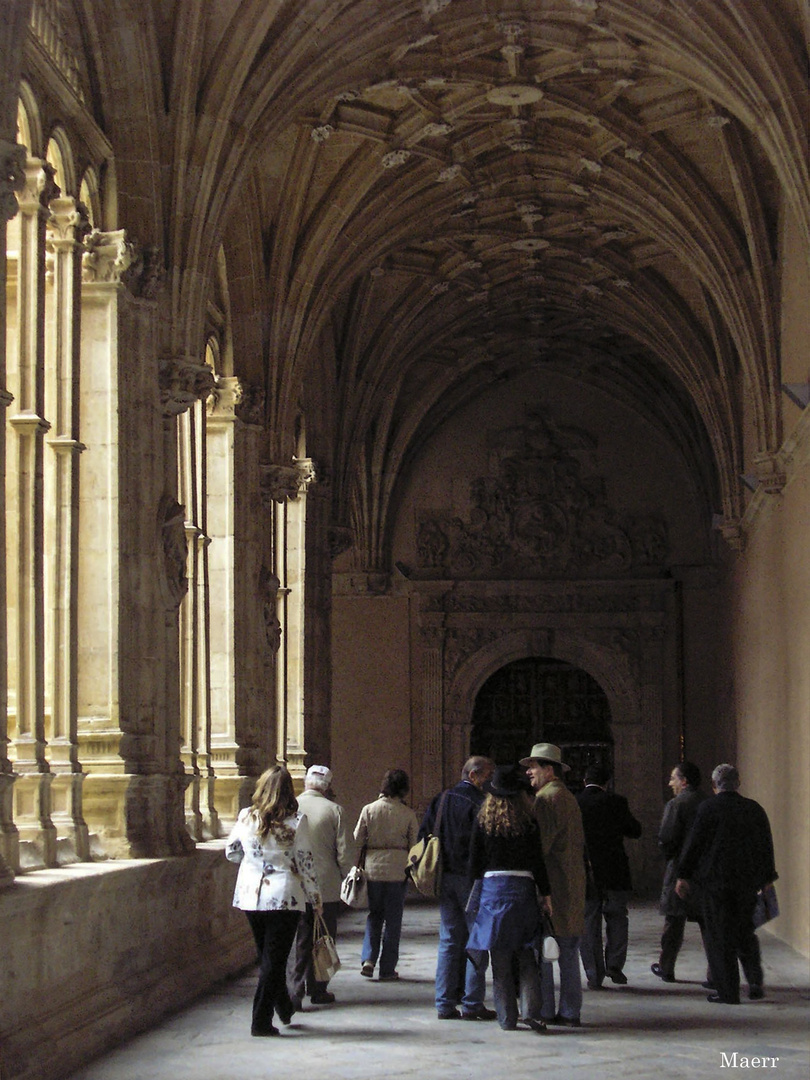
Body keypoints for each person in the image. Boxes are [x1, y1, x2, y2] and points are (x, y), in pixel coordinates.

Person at [225, 765, 322, 1036]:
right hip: (284, 896)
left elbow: (231, 851)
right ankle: (260, 1021)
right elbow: (304, 862)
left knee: (268, 957)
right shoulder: (296, 821)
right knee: (274, 960)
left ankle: (283, 1007)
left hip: (250, 896)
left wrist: (253, 862)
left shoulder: (246, 816)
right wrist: (315, 898)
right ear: (290, 791)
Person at [675, 763, 778, 1005]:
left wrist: (683, 875)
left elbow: (694, 844)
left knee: (719, 937)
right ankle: (754, 981)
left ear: (714, 785)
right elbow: (765, 847)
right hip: (746, 883)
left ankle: (728, 991)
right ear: (738, 783)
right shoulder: (754, 809)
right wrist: (767, 880)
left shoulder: (707, 809)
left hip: (715, 883)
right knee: (745, 931)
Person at [467, 764, 551, 1033]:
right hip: (523, 888)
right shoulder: (528, 821)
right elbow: (538, 862)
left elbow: (474, 865)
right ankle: (532, 1012)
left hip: (493, 889)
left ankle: (507, 1018)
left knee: (500, 957)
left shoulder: (483, 822)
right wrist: (546, 894)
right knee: (527, 955)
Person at [419, 755, 497, 1021]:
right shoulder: (480, 803)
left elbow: (424, 835)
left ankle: (444, 1003)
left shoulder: (441, 799)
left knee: (449, 941)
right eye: (488, 775)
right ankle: (473, 1002)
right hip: (472, 879)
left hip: (446, 877)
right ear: (473, 775)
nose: (490, 780)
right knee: (477, 940)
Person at [520, 742, 586, 1027]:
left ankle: (545, 1009)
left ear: (549, 769)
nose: (529, 773)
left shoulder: (546, 799)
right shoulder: (567, 796)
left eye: (533, 767)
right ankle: (571, 1011)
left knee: (545, 950)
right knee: (569, 951)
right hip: (571, 882)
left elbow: (541, 845)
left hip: (554, 885)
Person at [288, 764, 355, 1010]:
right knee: (323, 936)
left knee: (299, 937)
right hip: (325, 883)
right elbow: (344, 853)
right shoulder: (334, 810)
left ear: (305, 782)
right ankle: (318, 987)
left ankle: (295, 988)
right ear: (328, 787)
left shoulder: (291, 807)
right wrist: (348, 877)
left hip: (294, 884)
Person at [577, 763, 642, 988]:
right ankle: (614, 964)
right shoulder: (617, 802)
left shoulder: (577, 802)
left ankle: (594, 973)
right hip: (615, 869)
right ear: (607, 783)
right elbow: (635, 830)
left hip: (586, 869)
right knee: (617, 917)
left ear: (585, 781)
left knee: (588, 921)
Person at [354, 768, 419, 981]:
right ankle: (388, 967)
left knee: (374, 916)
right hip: (397, 870)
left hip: (373, 868)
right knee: (393, 921)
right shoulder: (407, 813)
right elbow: (414, 845)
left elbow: (357, 838)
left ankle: (369, 959)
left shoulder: (369, 810)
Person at [651, 761, 709, 983]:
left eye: (673, 778)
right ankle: (715, 972)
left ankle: (667, 967)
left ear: (684, 781)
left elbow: (666, 839)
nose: (670, 783)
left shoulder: (676, 804)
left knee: (674, 923)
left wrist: (670, 858)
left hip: (679, 871)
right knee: (707, 923)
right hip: (704, 872)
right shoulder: (708, 803)